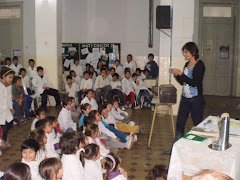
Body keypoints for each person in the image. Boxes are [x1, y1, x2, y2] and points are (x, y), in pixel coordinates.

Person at [170, 42, 205, 141]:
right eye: (184, 52)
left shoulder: (199, 65)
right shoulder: (186, 64)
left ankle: (200, 145)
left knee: (198, 123)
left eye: (186, 52)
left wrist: (181, 73)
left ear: (193, 52)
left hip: (196, 99)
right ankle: (177, 145)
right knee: (180, 122)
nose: (184, 54)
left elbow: (194, 82)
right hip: (185, 98)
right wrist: (177, 75)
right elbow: (183, 82)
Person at [0, 67, 15, 148]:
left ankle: (3, 139)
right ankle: (3, 140)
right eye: (9, 77)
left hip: (6, 109)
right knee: (3, 127)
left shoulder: (9, 86)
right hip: (1, 111)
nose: (11, 79)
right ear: (3, 77)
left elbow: (9, 97)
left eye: (12, 78)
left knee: (10, 123)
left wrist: (11, 107)